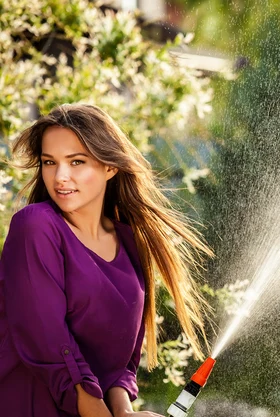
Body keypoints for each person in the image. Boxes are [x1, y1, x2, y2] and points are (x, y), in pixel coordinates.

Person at [0, 104, 213, 417]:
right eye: (49, 162)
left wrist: (125, 413)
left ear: (110, 167)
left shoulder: (130, 242)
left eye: (76, 162)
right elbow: (46, 339)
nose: (60, 176)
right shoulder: (36, 226)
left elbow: (119, 363)